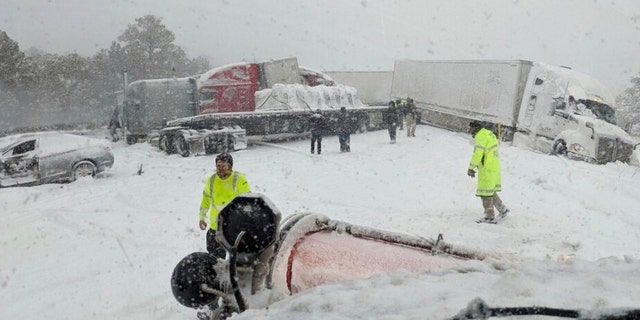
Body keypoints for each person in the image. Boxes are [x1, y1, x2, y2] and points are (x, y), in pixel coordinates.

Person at [198, 152, 251, 258]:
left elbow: (247, 202)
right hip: (216, 226)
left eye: (223, 166)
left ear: (230, 166)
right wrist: (202, 217)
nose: (220, 169)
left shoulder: (239, 180)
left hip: (234, 227)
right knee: (215, 260)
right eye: (218, 166)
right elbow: (206, 200)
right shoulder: (211, 180)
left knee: (238, 258)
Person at [467, 121, 509, 223]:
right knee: (490, 191)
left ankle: (489, 217)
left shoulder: (480, 136)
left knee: (485, 193)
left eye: (471, 128)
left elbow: (478, 154)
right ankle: (502, 209)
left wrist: (471, 168)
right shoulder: (489, 133)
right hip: (493, 167)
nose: (470, 131)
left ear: (476, 127)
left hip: (487, 169)